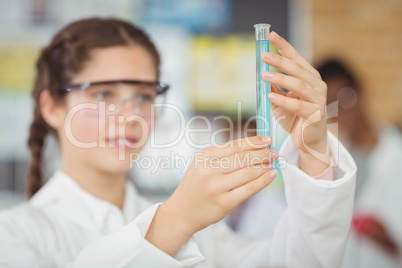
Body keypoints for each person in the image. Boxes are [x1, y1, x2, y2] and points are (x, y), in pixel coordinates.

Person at [0, 18, 356, 267]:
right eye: (104, 93)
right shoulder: (13, 235)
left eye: (144, 95)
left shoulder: (203, 233)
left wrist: (313, 151)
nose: (131, 116)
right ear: (51, 107)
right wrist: (174, 221)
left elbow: (297, 263)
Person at [232, 59, 402, 268]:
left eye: (344, 98)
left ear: (361, 91)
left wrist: (389, 240)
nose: (339, 109)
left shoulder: (396, 155)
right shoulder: (328, 157)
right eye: (329, 103)